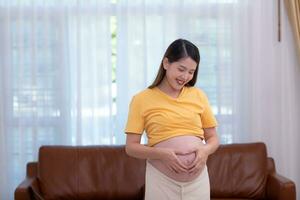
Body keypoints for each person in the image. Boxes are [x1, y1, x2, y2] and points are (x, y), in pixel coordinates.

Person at [124, 38, 219, 200]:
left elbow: (213, 138)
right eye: (181, 69)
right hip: (161, 181)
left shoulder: (199, 96)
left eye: (191, 72)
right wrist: (162, 154)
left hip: (198, 182)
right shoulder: (141, 99)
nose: (185, 76)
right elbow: (131, 147)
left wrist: (205, 150)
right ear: (166, 63)